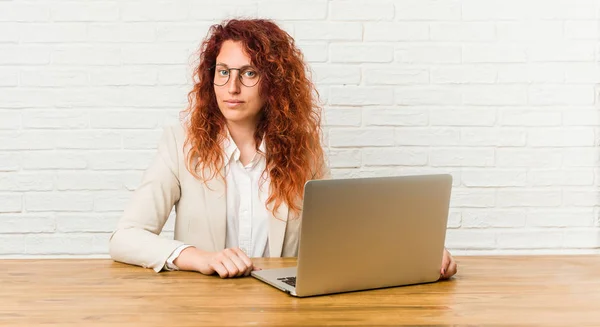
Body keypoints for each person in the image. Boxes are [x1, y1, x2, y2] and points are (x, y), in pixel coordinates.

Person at [109, 18, 458, 280]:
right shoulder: (180, 144)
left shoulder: (303, 151)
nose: (232, 86)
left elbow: (340, 237)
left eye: (248, 73)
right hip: (203, 306)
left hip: (283, 306)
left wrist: (416, 254)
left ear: (273, 82)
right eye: (223, 71)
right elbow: (125, 237)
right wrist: (197, 257)